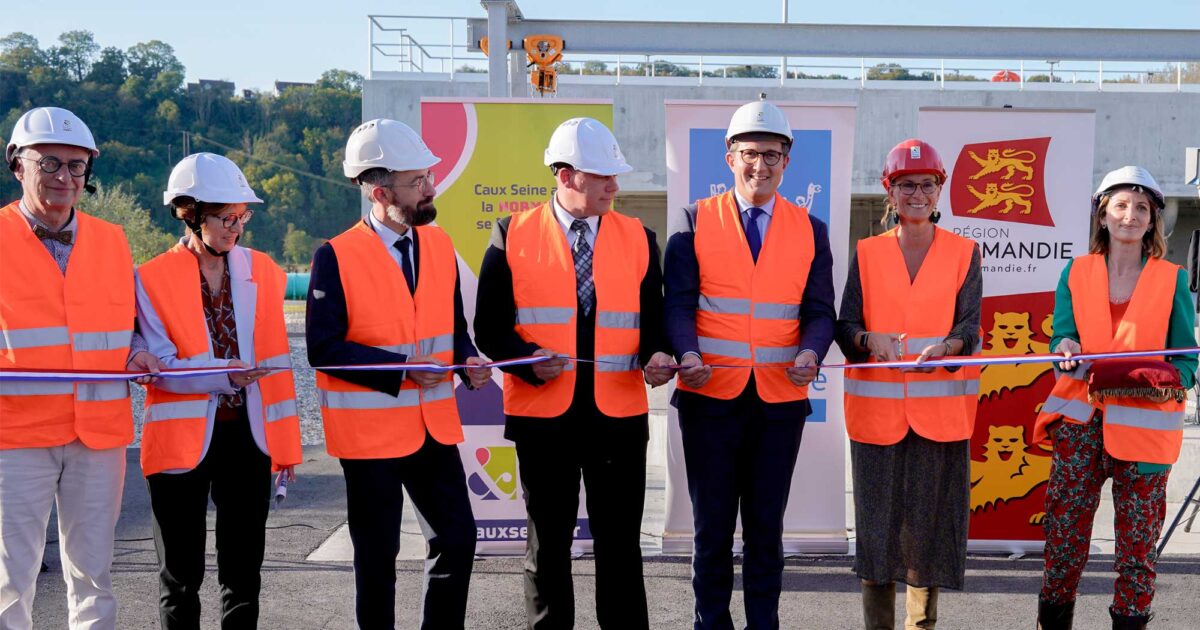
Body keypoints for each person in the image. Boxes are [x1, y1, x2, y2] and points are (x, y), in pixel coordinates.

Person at [474, 117, 675, 629]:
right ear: (565, 176)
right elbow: (489, 328)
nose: (614, 184)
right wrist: (529, 361)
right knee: (547, 547)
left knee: (620, 548)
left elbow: (655, 322)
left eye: (615, 174)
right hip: (543, 419)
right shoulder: (511, 234)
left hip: (620, 417)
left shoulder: (639, 237)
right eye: (602, 174)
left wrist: (657, 355)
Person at [306, 118, 491, 630]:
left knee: (457, 540)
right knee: (377, 557)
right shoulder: (335, 255)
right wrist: (404, 371)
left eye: (429, 176)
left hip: (433, 426)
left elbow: (452, 329)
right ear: (382, 191)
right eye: (419, 181)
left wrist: (468, 359)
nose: (431, 188)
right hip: (370, 438)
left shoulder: (438, 245)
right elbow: (323, 349)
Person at [663, 97, 836, 629]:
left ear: (788, 160)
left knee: (766, 530)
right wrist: (687, 352)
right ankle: (710, 623)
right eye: (750, 153)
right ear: (729, 156)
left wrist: (811, 351)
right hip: (709, 400)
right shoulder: (695, 220)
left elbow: (820, 310)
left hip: (779, 404)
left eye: (773, 154)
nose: (761, 164)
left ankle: (764, 624)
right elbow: (678, 304)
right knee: (712, 531)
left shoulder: (811, 229)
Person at [0, 106, 161, 630]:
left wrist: (137, 351)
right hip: (15, 435)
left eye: (77, 165)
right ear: (17, 164)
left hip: (100, 435)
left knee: (93, 574)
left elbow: (129, 324)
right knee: (10, 577)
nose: (65, 177)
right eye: (49, 163)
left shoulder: (113, 240)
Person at [135, 152, 303, 629]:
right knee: (180, 578)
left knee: (243, 574)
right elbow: (161, 366)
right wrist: (223, 374)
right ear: (189, 213)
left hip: (249, 440)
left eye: (242, 216)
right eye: (226, 217)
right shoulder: (150, 278)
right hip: (178, 443)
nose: (237, 227)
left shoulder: (265, 270)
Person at [1032, 166, 1196, 630]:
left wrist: (1163, 377)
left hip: (1144, 435)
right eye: (1121, 205)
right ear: (1102, 215)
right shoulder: (1076, 272)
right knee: (1063, 544)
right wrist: (1062, 349)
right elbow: (1063, 337)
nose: (1131, 215)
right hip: (1080, 424)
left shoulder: (1171, 280)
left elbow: (1187, 362)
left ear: (1153, 221)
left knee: (1137, 552)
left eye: (1141, 208)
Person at [834, 139, 982, 630]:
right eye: (905, 185)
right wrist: (865, 336)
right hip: (878, 422)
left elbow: (970, 327)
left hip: (939, 421)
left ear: (940, 190)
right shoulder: (868, 252)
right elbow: (845, 325)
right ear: (889, 192)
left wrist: (950, 347)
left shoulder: (964, 253)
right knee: (877, 538)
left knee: (927, 537)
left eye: (926, 184)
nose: (916, 193)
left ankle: (922, 626)